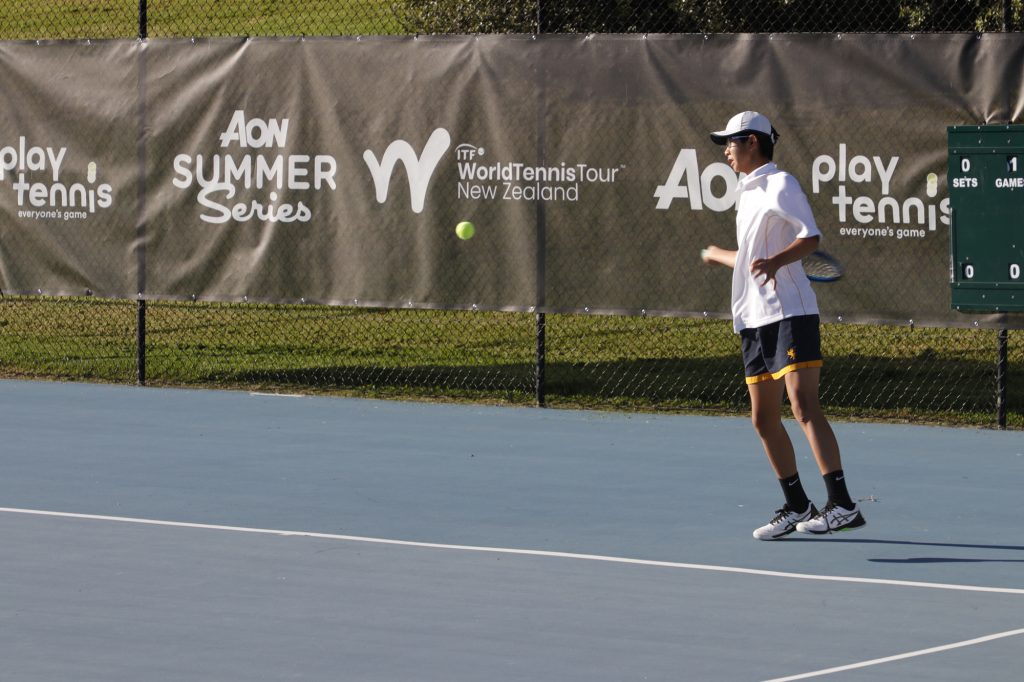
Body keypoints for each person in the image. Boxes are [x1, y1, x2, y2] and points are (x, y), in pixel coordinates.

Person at [700, 111, 866, 540]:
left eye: (731, 142)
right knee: (762, 418)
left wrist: (776, 262)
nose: (726, 151)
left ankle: (843, 505)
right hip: (754, 320)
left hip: (790, 311)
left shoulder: (781, 184)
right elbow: (752, 259)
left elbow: (809, 238)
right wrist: (719, 253)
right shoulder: (747, 192)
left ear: (752, 141)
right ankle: (797, 505)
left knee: (803, 406)